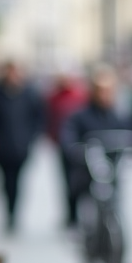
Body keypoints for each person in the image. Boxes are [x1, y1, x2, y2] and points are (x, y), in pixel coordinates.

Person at [60, 65, 132, 219]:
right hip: (88, 174)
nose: (104, 95)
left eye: (108, 90)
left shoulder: (120, 116)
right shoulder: (80, 116)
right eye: (100, 90)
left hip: (113, 172)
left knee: (117, 205)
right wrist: (77, 150)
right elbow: (68, 138)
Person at [0, 61, 45, 231]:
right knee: (5, 181)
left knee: (18, 182)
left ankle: (14, 213)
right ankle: (8, 212)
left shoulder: (29, 94)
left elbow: (37, 118)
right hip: (2, 147)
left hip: (21, 147)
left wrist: (31, 138)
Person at [46, 72, 88, 225]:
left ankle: (80, 215)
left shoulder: (80, 96)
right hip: (62, 145)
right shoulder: (53, 97)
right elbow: (47, 116)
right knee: (66, 181)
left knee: (79, 181)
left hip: (80, 145)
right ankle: (71, 215)